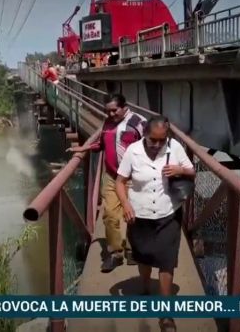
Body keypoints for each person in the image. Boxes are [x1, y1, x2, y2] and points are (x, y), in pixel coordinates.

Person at [115, 116, 194, 332]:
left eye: (162, 140)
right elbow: (120, 181)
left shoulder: (174, 147)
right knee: (143, 254)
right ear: (144, 135)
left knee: (167, 260)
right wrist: (125, 204)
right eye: (153, 140)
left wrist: (180, 170)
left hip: (168, 212)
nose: (158, 145)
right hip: (139, 213)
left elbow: (191, 170)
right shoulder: (133, 151)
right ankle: (144, 287)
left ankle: (166, 313)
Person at [67, 94, 147, 272]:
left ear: (124, 107)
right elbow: (102, 144)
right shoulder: (108, 123)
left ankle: (132, 250)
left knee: (133, 215)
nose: (110, 114)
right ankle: (116, 253)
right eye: (107, 111)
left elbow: (153, 146)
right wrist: (85, 147)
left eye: (114, 110)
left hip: (134, 177)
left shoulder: (139, 122)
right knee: (110, 214)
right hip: (112, 175)